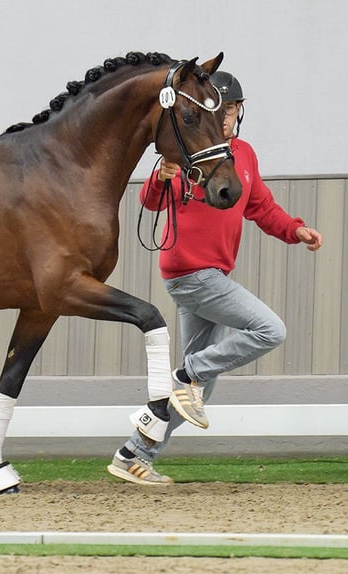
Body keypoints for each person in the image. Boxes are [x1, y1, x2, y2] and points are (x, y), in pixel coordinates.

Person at [107, 70, 323, 485]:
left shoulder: (244, 155)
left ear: (238, 113)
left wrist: (295, 230)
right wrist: (159, 177)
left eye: (232, 110)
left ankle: (133, 454)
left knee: (201, 391)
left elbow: (262, 207)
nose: (226, 116)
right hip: (190, 274)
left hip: (211, 275)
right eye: (220, 109)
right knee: (269, 329)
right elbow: (150, 202)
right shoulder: (189, 154)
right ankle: (185, 375)